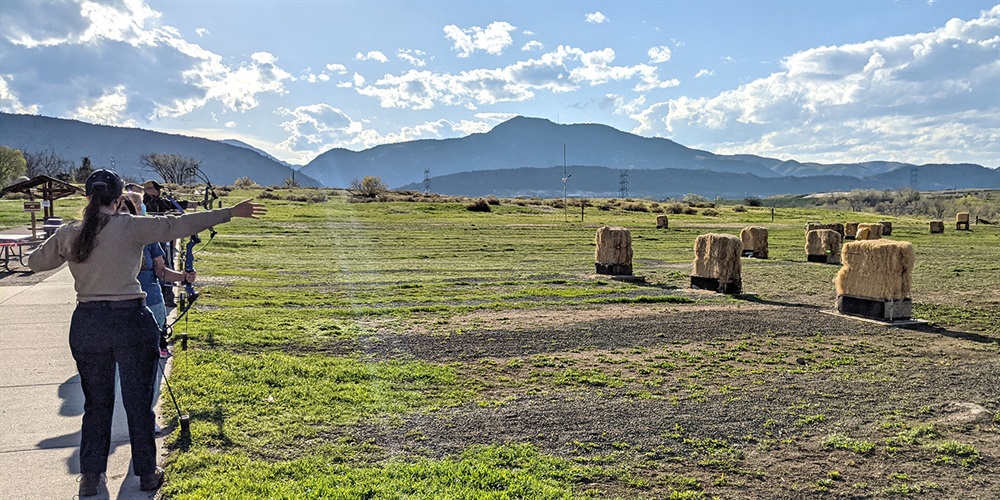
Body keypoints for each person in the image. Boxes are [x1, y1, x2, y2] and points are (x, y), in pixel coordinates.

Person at [27, 170, 265, 497]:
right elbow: (178, 224)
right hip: (130, 321)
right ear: (118, 198)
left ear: (87, 198)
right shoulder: (131, 226)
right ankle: (147, 474)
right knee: (138, 403)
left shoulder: (71, 232)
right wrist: (230, 212)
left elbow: (35, 262)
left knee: (96, 404)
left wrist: (59, 240)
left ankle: (91, 477)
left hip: (87, 323)